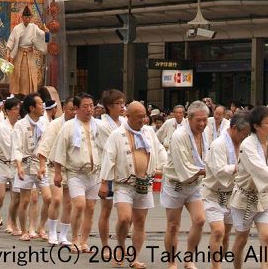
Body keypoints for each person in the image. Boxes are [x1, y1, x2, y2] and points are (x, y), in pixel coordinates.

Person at [100, 100, 167, 268]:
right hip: (124, 183)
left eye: (144, 116)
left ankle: (135, 257)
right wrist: (104, 183)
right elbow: (108, 158)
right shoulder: (117, 135)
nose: (142, 120)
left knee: (140, 222)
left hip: (144, 183)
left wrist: (163, 168)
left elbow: (160, 151)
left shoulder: (149, 132)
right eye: (138, 117)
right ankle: (121, 247)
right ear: (127, 116)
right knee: (124, 218)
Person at [160, 100, 210, 269]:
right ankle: (171, 261)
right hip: (176, 183)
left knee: (200, 220)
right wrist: (212, 171)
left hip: (194, 184)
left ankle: (189, 259)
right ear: (189, 118)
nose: (202, 123)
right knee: (173, 225)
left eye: (205, 119)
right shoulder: (179, 135)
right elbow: (185, 167)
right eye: (199, 120)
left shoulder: (206, 132)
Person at [51, 93, 102, 253]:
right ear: (77, 109)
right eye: (85, 106)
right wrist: (58, 173)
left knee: (91, 208)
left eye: (91, 106)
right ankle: (73, 239)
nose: (89, 110)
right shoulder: (68, 126)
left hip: (94, 173)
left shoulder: (99, 125)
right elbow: (59, 149)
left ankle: (84, 241)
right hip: (75, 173)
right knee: (79, 205)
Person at [230, 105, 268, 269]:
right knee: (241, 239)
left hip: (264, 196)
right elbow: (261, 170)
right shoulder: (248, 145)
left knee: (267, 236)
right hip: (245, 198)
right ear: (256, 126)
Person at [203, 110, 251, 269]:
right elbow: (220, 170)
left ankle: (220, 260)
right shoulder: (219, 144)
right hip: (214, 193)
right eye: (244, 133)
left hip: (233, 195)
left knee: (226, 235)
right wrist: (240, 168)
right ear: (235, 128)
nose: (246, 136)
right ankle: (215, 266)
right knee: (218, 231)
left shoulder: (245, 143)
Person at [37, 95, 77, 245]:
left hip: (72, 169)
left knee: (69, 203)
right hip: (55, 167)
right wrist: (42, 166)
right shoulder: (55, 125)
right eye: (71, 109)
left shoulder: (78, 125)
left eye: (75, 109)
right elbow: (44, 147)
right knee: (57, 199)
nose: (73, 112)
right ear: (64, 109)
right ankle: (52, 231)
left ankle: (64, 235)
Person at [13, 93, 50, 241]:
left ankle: (41, 227)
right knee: (25, 200)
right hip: (26, 164)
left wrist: (43, 164)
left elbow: (45, 146)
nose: (43, 107)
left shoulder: (44, 123)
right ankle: (24, 230)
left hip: (40, 165)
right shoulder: (20, 124)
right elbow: (16, 147)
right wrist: (19, 166)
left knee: (48, 198)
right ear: (31, 108)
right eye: (40, 104)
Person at [95, 89, 126, 248]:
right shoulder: (102, 124)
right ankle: (105, 245)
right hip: (108, 172)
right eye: (118, 103)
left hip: (126, 173)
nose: (122, 107)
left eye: (123, 103)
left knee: (127, 214)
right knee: (106, 211)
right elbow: (113, 147)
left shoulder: (125, 122)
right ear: (108, 106)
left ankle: (121, 243)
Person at [0, 97, 19, 231]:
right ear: (7, 111)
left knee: (16, 196)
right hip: (1, 163)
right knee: (0, 196)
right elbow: (9, 150)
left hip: (16, 165)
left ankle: (11, 222)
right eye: (14, 109)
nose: (17, 111)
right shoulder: (2, 128)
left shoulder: (20, 125)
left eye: (19, 108)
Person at [5, 6, 48, 95]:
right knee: (17, 74)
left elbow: (41, 34)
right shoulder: (17, 28)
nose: (27, 19)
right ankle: (17, 93)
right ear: (22, 18)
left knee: (31, 73)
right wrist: (8, 53)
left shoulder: (34, 27)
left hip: (30, 54)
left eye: (29, 17)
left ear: (31, 18)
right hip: (19, 54)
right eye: (25, 17)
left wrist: (46, 32)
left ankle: (30, 94)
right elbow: (11, 41)